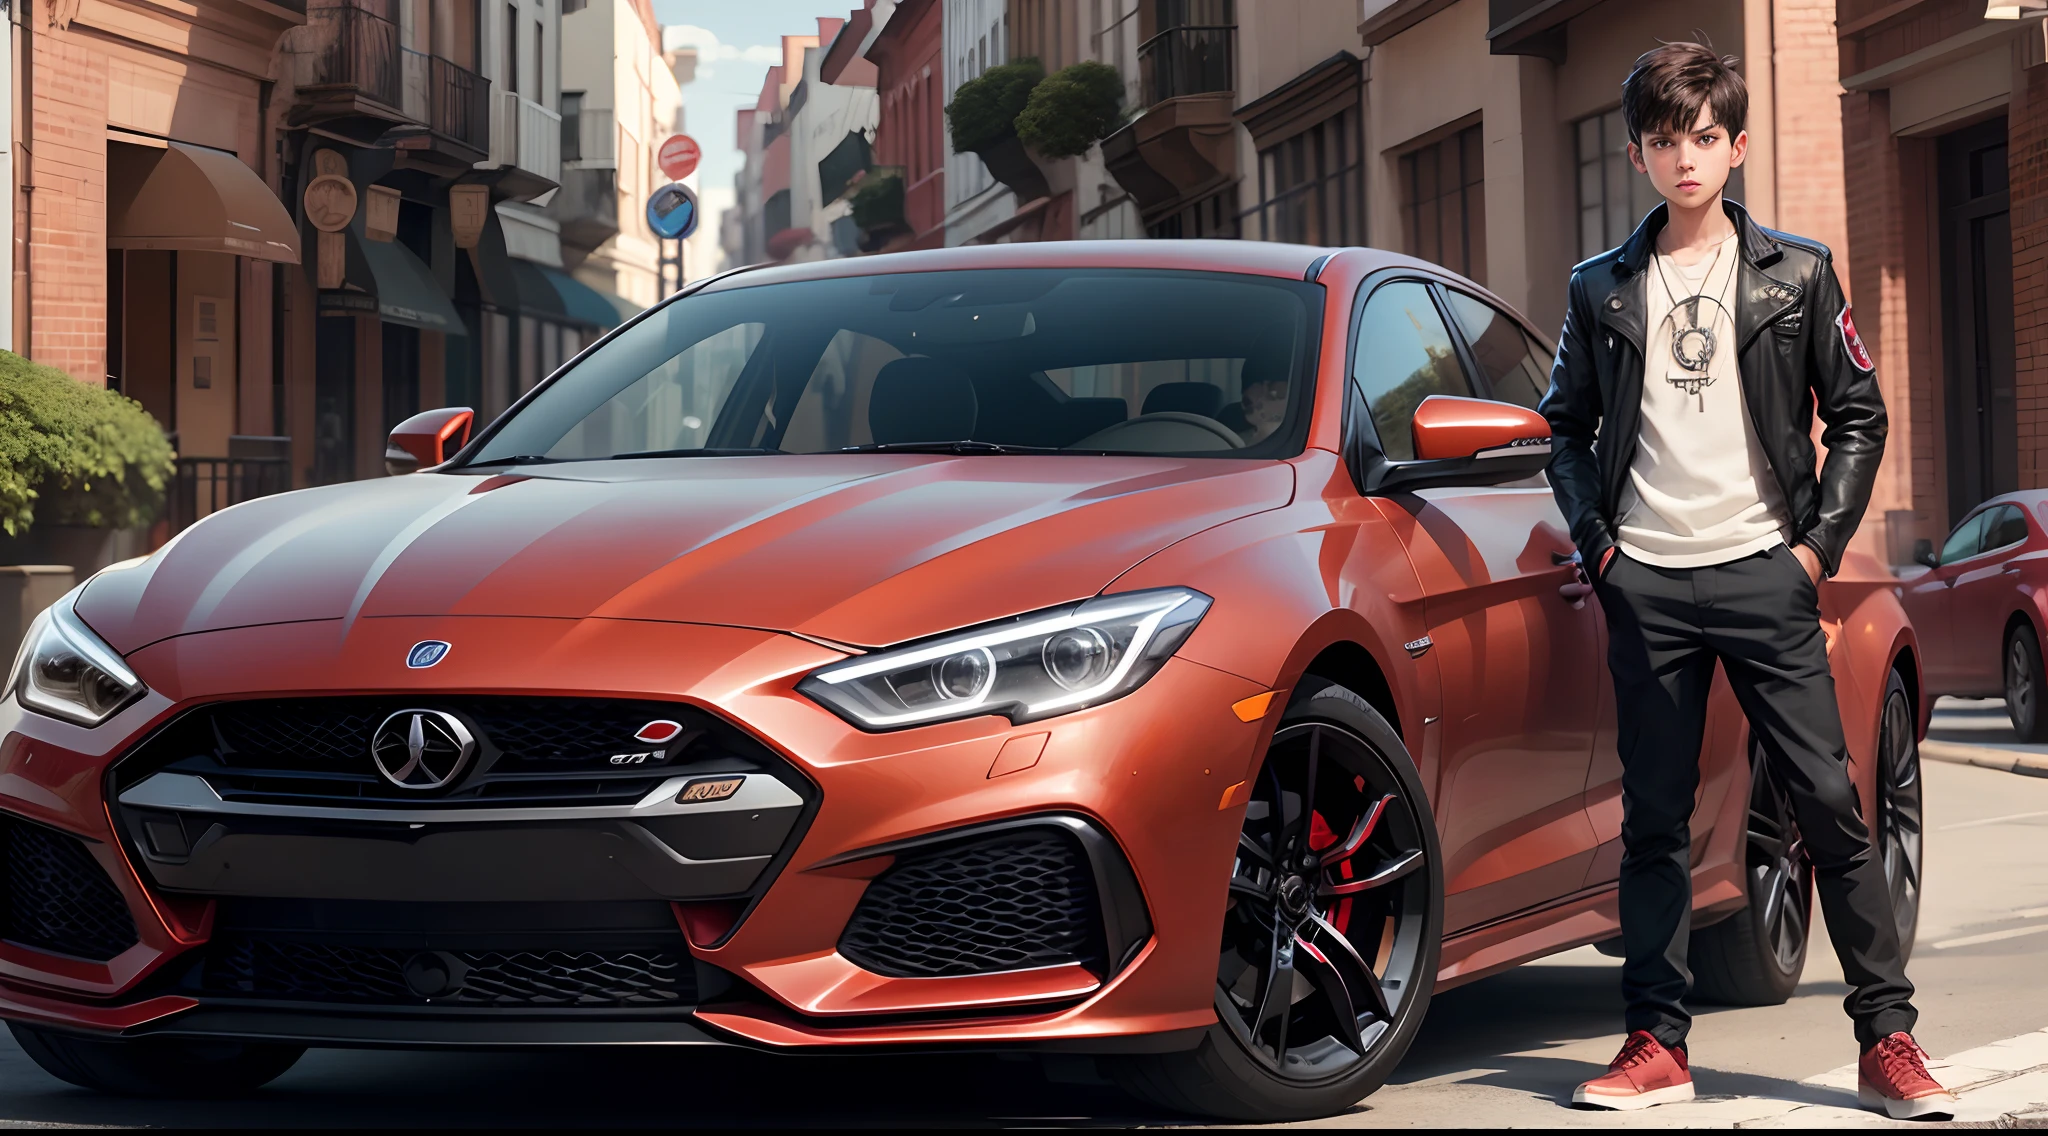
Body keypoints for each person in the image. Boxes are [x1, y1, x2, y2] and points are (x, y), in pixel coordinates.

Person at [1539, 41, 1955, 1119]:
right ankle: (1654, 1043)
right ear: (1637, 152)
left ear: (1732, 145)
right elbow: (1563, 431)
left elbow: (1856, 414)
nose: (1686, 157)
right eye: (1664, 139)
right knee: (1654, 821)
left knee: (1828, 804)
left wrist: (1813, 549)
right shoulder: (1600, 290)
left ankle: (1888, 1040)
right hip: (1650, 581)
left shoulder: (1798, 272)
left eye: (1704, 137)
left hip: (1764, 571)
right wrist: (1598, 546)